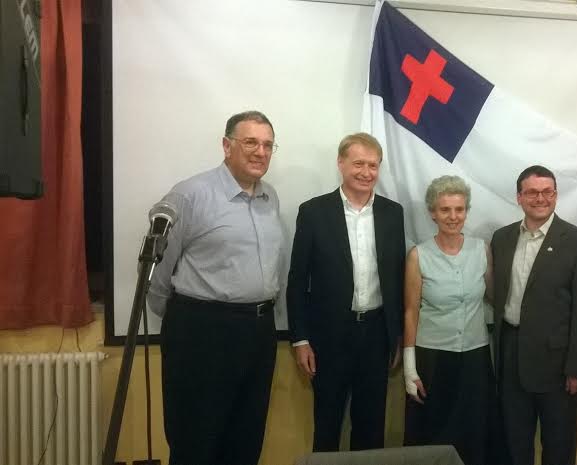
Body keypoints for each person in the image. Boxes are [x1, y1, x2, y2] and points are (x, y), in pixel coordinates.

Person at [147, 110, 285, 465]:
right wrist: (187, 318)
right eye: (250, 142)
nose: (260, 152)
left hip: (259, 332)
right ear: (227, 146)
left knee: (246, 438)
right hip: (203, 333)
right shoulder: (190, 195)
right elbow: (157, 274)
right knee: (196, 440)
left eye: (268, 145)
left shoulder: (270, 197)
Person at [287, 132, 406, 452]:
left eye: (373, 165)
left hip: (376, 335)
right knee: (327, 425)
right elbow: (297, 280)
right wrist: (300, 338)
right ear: (341, 163)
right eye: (358, 164)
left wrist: (396, 335)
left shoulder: (393, 213)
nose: (366, 172)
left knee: (371, 428)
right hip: (329, 337)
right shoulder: (313, 212)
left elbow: (396, 277)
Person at [490, 165, 577, 465]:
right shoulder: (502, 238)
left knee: (558, 447)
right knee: (515, 444)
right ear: (519, 197)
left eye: (547, 192)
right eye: (532, 192)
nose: (541, 198)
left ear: (556, 195)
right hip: (511, 356)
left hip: (558, 366)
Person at [401, 175, 495, 465]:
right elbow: (411, 311)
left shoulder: (482, 250)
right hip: (432, 358)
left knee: (474, 433)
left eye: (459, 209)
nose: (453, 217)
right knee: (433, 436)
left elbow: (494, 298)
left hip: (475, 357)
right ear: (432, 212)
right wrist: (409, 368)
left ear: (466, 211)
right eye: (445, 210)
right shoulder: (418, 255)